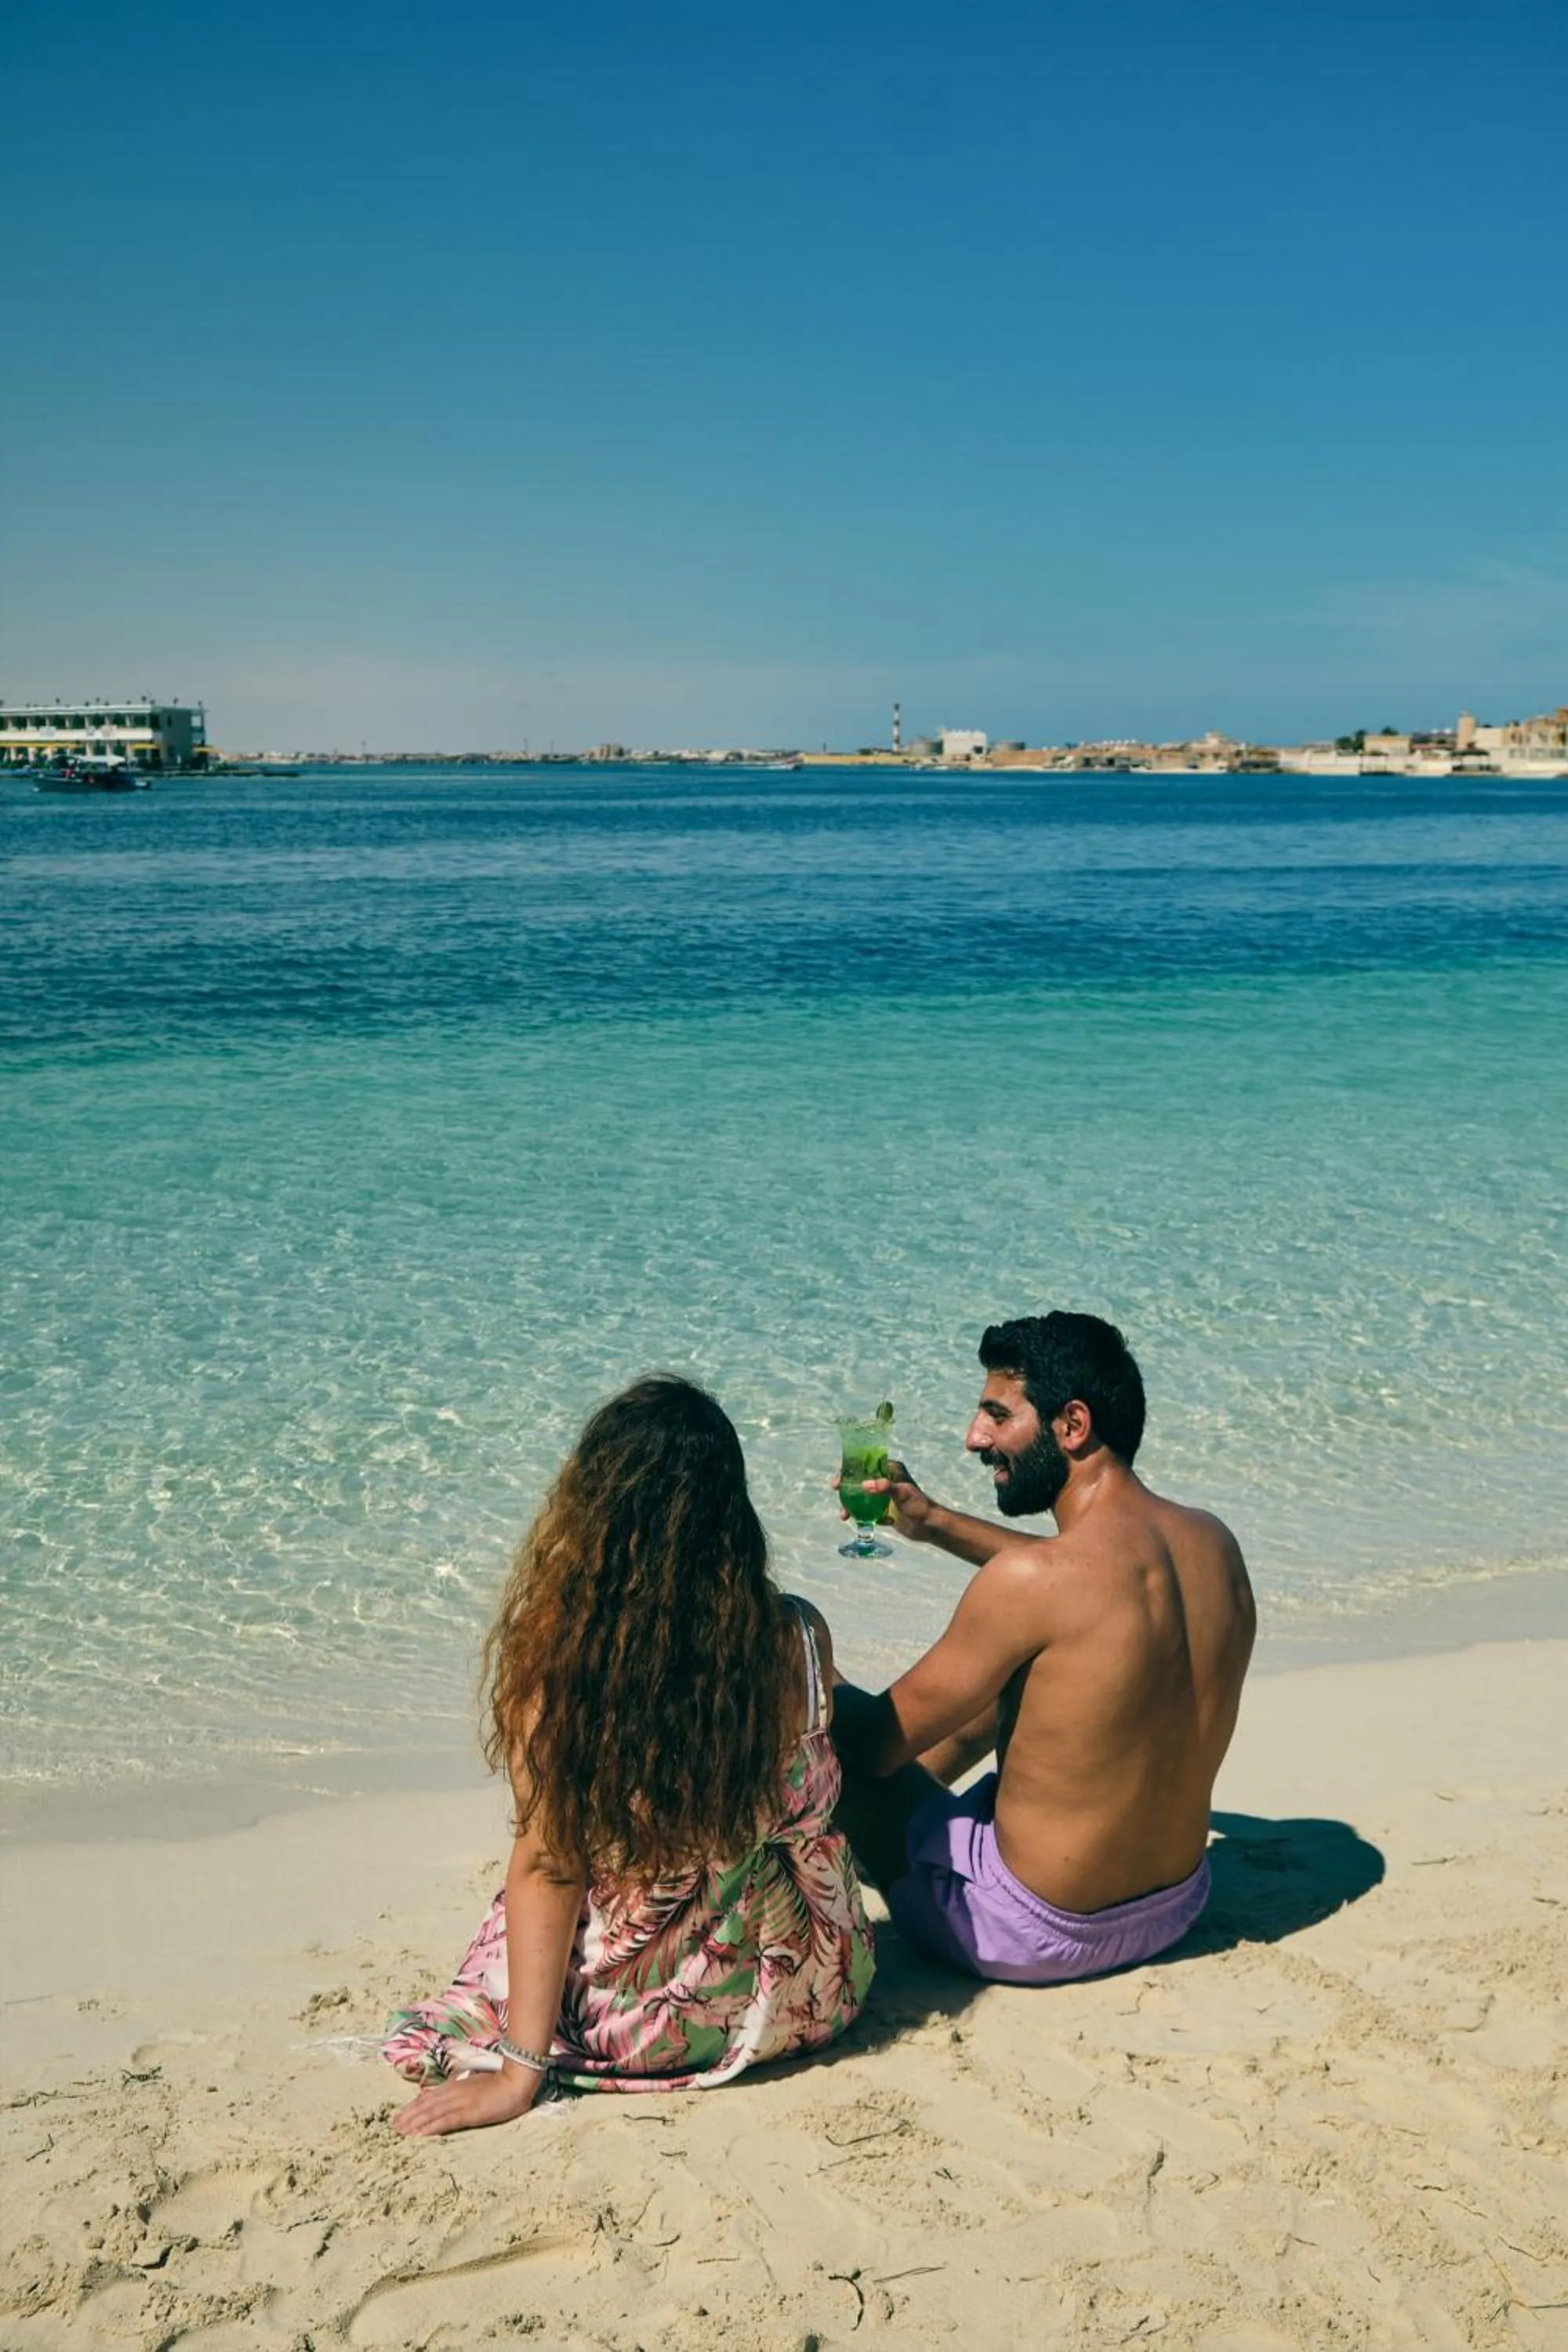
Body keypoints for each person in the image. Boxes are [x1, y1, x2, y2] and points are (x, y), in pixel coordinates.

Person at [387, 1375, 875, 2133]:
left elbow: (551, 1868)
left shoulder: (562, 1681)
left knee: (521, 1895)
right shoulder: (799, 1639)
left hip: (654, 2024)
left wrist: (520, 2075)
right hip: (808, 1990)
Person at [831, 1312, 1255, 1986]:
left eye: (998, 1416)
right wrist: (934, 1523)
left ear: (1072, 1425)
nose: (975, 1439)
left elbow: (873, 1747)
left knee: (820, 1715)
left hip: (1031, 1930)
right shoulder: (1214, 1545)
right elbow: (1080, 1585)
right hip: (1174, 1904)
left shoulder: (1034, 1587)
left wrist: (807, 1664)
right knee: (1030, 1669)